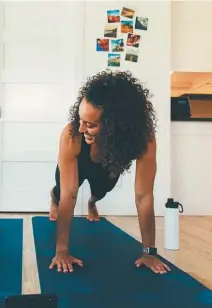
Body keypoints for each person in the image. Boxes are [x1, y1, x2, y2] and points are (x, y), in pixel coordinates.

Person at [48, 70, 171, 275]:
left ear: (116, 127)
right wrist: (62, 251)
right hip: (79, 162)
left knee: (101, 190)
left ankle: (92, 202)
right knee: (61, 190)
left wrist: (149, 253)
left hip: (107, 164)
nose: (80, 128)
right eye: (80, 119)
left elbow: (144, 197)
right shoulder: (72, 135)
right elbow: (69, 195)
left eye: (90, 124)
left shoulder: (143, 138)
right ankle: (52, 198)